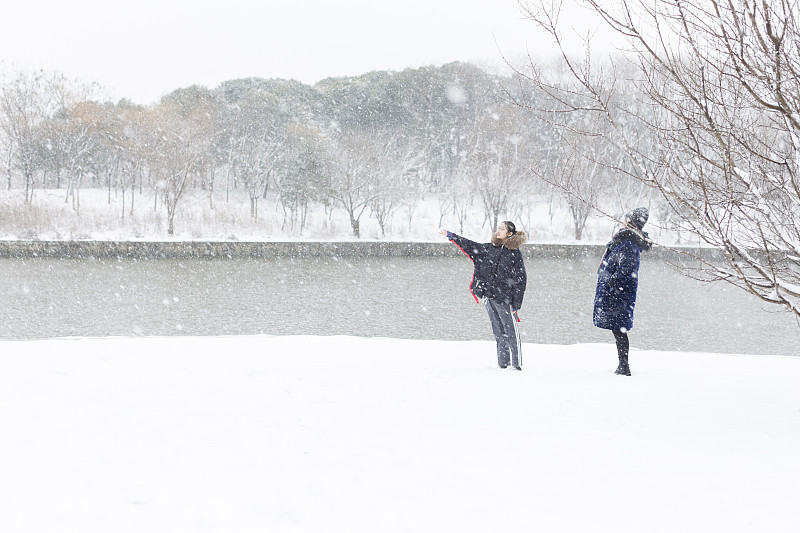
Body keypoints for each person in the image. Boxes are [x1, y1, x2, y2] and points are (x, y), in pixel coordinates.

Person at [440, 221, 528, 370]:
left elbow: (521, 280)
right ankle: (503, 364)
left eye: (502, 229)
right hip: (489, 297)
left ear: (510, 234)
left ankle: (517, 365)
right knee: (499, 332)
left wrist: (516, 304)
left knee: (511, 332)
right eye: (498, 228)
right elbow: (470, 245)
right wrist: (452, 236)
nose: (498, 231)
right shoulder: (489, 248)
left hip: (505, 299)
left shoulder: (514, 254)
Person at [593, 207, 652, 376]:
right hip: (619, 291)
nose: (623, 220)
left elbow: (625, 268)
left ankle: (624, 365)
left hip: (619, 293)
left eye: (627, 218)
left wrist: (612, 283)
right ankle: (623, 364)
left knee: (619, 329)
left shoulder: (627, 242)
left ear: (632, 221)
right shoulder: (625, 239)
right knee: (618, 329)